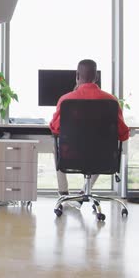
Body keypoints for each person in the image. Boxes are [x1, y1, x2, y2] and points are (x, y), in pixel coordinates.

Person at [49, 59, 130, 198]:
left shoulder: (65, 100)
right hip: (102, 158)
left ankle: (63, 192)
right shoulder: (111, 101)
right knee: (105, 149)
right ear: (96, 77)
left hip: (71, 157)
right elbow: (123, 134)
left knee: (55, 147)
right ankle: (84, 192)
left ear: (77, 76)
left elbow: (55, 129)